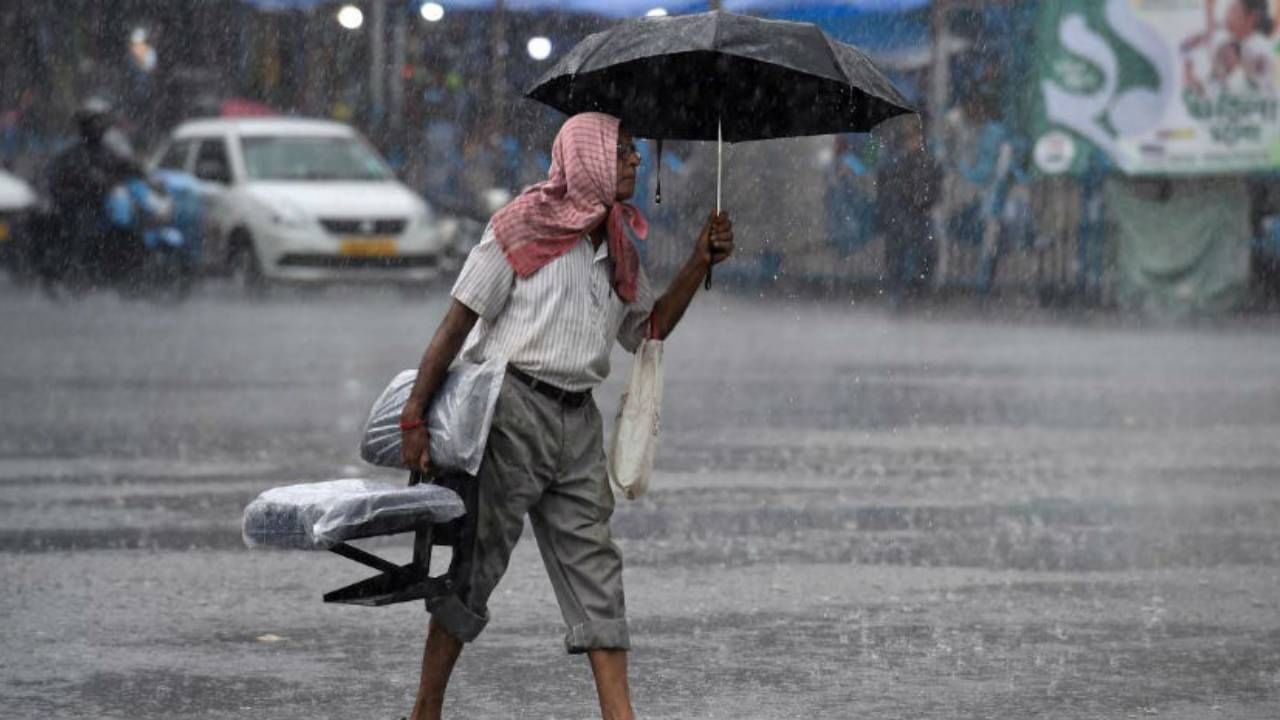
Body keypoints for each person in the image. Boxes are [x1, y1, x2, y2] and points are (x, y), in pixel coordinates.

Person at [398, 112, 734, 720]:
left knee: (597, 572)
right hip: (509, 416)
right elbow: (458, 322)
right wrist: (414, 416)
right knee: (474, 568)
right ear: (592, 160)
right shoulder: (518, 227)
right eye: (625, 151)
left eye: (634, 151)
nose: (635, 161)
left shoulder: (620, 247)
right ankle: (425, 710)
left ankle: (619, 714)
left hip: (579, 424)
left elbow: (648, 329)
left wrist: (698, 262)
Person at [877, 118, 939, 304]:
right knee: (899, 247)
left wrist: (923, 205)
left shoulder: (925, 160)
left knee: (925, 249)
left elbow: (932, 189)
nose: (916, 142)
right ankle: (899, 290)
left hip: (918, 215)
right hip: (901, 215)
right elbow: (888, 190)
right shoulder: (893, 160)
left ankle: (917, 289)